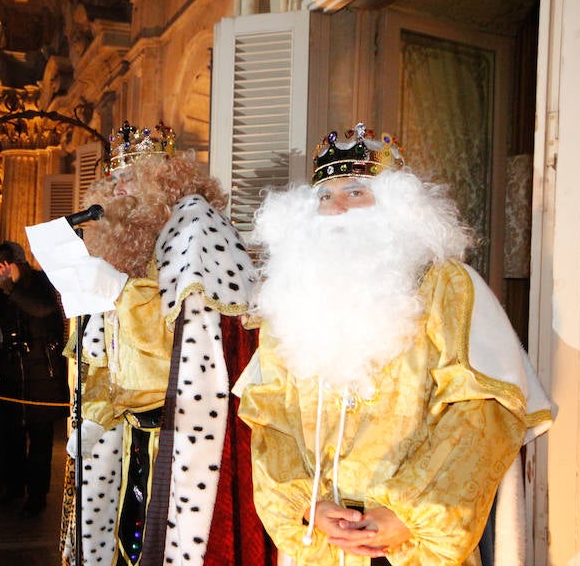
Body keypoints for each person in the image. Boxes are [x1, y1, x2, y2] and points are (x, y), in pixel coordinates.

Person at [235, 123, 554, 565]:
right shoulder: (292, 300)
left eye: (356, 193)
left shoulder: (449, 288)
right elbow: (272, 421)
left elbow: (483, 413)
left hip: (413, 547)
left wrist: (409, 512)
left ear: (397, 206)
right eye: (325, 197)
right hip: (323, 547)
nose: (337, 209)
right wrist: (306, 506)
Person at [61, 122, 257, 566]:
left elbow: (186, 337)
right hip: (130, 434)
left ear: (164, 177)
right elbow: (101, 351)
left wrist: (117, 289)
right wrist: (93, 416)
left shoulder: (195, 223)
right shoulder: (122, 242)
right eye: (113, 180)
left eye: (132, 175)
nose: (119, 188)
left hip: (181, 435)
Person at [0, 241, 69, 518]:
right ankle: (14, 487)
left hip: (42, 372)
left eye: (0, 265)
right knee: (13, 437)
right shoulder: (1, 290)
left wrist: (11, 288)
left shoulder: (42, 282)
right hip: (12, 373)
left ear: (14, 263)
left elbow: (43, 310)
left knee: (41, 440)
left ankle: (37, 496)